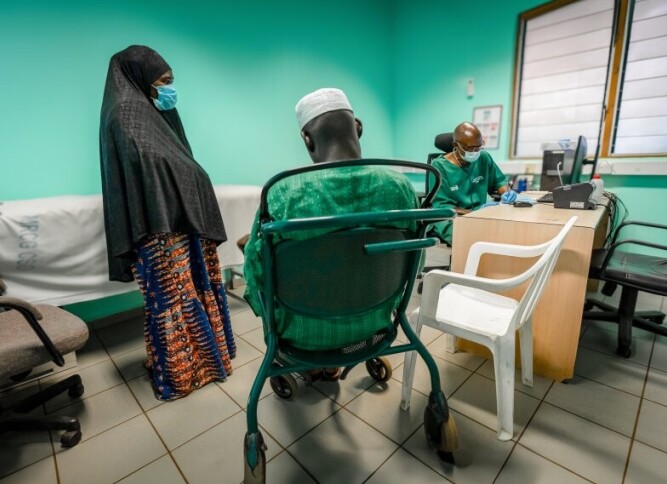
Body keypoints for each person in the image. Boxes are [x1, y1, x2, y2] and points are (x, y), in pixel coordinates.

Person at [243, 88, 419, 380]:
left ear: (308, 139)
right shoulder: (400, 187)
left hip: (302, 336)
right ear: (358, 128)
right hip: (375, 326)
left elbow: (256, 273)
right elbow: (414, 260)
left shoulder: (283, 193)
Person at [99, 45, 236, 401]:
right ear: (140, 78)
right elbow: (152, 167)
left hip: (179, 219)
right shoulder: (126, 115)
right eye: (163, 81)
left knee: (192, 291)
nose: (169, 89)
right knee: (174, 300)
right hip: (160, 227)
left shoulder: (151, 113)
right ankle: (183, 373)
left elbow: (178, 159)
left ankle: (208, 360)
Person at [430, 122, 515, 244]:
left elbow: (499, 181)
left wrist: (506, 193)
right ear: (455, 145)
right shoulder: (439, 167)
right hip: (451, 217)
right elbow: (442, 206)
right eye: (470, 148)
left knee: (501, 232)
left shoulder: (483, 158)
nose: (475, 152)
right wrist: (474, 213)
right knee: (470, 238)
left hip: (480, 215)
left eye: (478, 147)